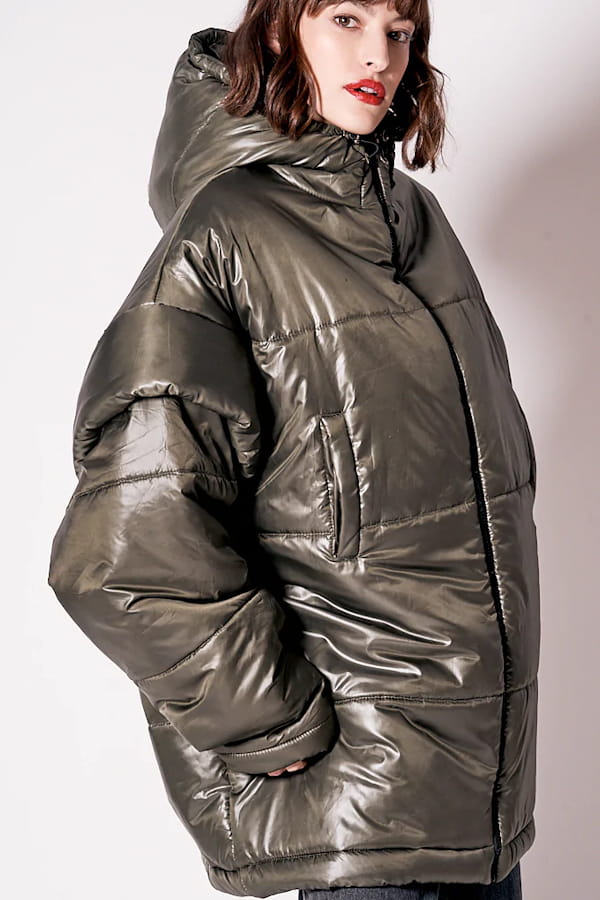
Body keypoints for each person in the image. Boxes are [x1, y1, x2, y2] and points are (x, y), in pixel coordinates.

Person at [47, 2, 539, 899]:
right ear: (278, 30)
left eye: (398, 30)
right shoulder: (225, 233)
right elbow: (123, 548)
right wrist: (267, 721)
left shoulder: (419, 222)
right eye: (345, 17)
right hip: (360, 808)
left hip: (483, 809)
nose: (377, 54)